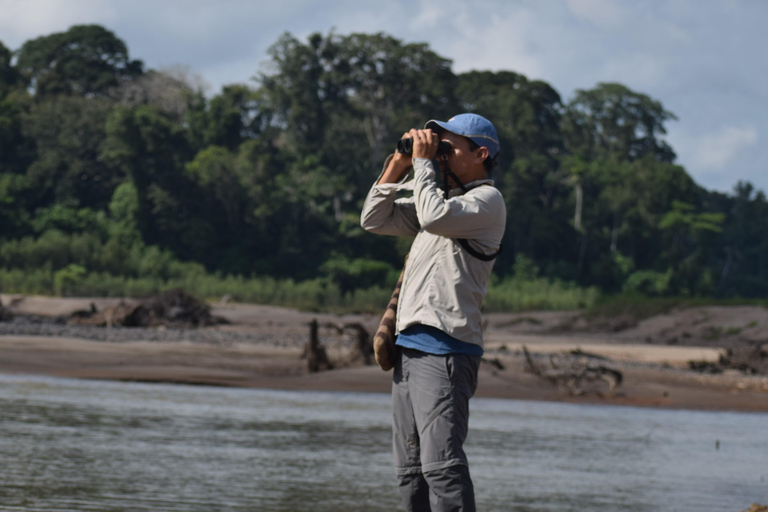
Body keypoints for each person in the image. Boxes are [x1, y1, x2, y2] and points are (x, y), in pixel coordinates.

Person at [360, 113, 506, 512]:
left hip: (446, 349)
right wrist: (398, 162)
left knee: (442, 465)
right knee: (409, 472)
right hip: (408, 349)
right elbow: (375, 219)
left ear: (480, 154)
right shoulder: (438, 198)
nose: (438, 153)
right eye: (436, 144)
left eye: (448, 147)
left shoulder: (486, 202)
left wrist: (424, 164)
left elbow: (432, 217)